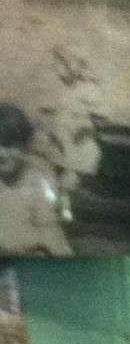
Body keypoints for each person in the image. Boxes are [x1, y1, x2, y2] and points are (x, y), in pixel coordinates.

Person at [0, 104, 69, 257]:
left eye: (10, 145)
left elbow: (50, 232)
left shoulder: (36, 183)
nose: (2, 153)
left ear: (25, 146)